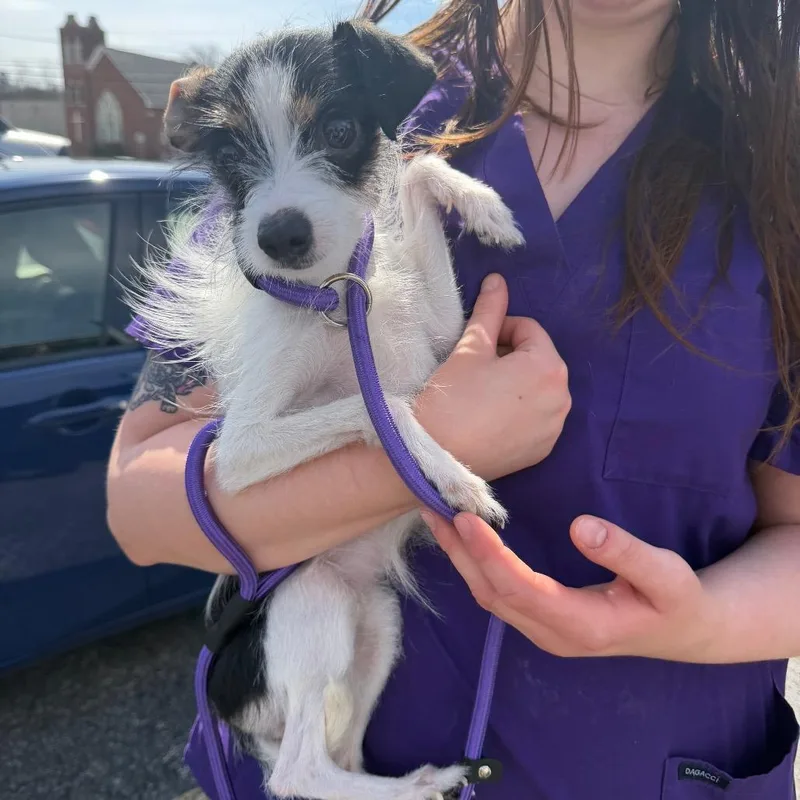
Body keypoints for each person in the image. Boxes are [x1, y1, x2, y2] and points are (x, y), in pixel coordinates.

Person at [106, 0, 800, 797]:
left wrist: (699, 619)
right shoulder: (334, 97)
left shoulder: (778, 168)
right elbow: (141, 501)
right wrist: (424, 446)